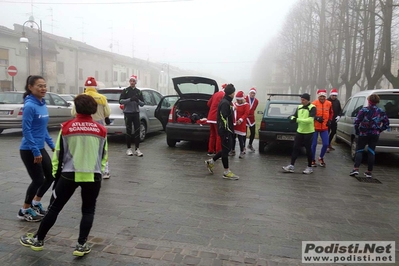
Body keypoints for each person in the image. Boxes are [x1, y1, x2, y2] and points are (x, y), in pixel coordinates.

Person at [20, 94, 108, 257]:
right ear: (94, 109)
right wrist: (100, 172)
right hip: (93, 176)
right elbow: (104, 154)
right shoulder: (101, 130)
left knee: (54, 208)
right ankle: (81, 245)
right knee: (88, 211)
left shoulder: (67, 127)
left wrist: (56, 176)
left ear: (75, 109)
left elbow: (58, 155)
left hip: (68, 175)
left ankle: (39, 240)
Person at [18, 75, 55, 222]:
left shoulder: (42, 104)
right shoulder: (29, 106)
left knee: (50, 176)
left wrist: (52, 145)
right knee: (38, 179)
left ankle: (35, 203)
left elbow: (42, 128)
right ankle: (24, 210)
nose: (43, 88)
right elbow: (26, 130)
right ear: (30, 87)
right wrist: (35, 151)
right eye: (39, 86)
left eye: (44, 85)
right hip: (29, 149)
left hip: (40, 147)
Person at [72, 76, 111, 178]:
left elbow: (73, 112)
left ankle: (83, 168)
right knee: (101, 148)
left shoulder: (79, 97)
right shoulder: (102, 98)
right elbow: (107, 112)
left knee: (83, 146)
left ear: (85, 86)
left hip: (82, 125)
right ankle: (105, 170)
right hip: (98, 125)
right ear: (95, 87)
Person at [350, 94, 389, 178]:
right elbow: (386, 123)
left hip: (363, 133)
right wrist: (379, 130)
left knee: (359, 150)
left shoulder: (364, 110)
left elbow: (356, 122)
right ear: (377, 101)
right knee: (371, 151)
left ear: (368, 101)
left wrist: (357, 130)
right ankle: (369, 171)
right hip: (374, 134)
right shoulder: (381, 111)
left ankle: (356, 169)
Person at [205, 84, 239, 180]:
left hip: (226, 130)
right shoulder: (225, 103)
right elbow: (224, 118)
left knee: (226, 149)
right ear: (232, 93)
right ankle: (226, 171)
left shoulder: (226, 102)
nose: (234, 94)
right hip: (225, 131)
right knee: (225, 151)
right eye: (234, 92)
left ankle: (211, 161)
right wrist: (227, 131)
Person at [282, 93, 316, 174]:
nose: (302, 101)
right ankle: (291, 165)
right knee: (295, 148)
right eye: (301, 99)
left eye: (303, 100)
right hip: (300, 131)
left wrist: (297, 120)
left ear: (307, 100)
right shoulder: (299, 107)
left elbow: (310, 120)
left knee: (308, 150)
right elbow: (295, 115)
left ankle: (309, 167)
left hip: (309, 132)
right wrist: (292, 118)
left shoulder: (312, 108)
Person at [119, 75, 144, 157]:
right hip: (128, 113)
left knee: (137, 131)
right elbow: (120, 101)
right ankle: (128, 149)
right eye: (131, 81)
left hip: (136, 113)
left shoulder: (139, 92)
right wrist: (130, 99)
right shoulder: (125, 91)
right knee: (128, 131)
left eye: (134, 81)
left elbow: (143, 104)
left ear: (136, 82)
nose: (132, 82)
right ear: (129, 82)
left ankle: (137, 149)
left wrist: (137, 100)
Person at [311, 89, 333, 167]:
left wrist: (330, 120)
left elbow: (331, 113)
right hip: (315, 127)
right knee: (313, 144)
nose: (322, 98)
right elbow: (310, 114)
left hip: (324, 127)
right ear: (318, 97)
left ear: (325, 97)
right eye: (321, 96)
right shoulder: (314, 103)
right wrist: (316, 118)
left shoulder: (329, 103)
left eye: (323, 96)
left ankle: (321, 157)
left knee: (326, 144)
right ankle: (312, 159)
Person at [206, 83, 226, 156]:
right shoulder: (224, 96)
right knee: (219, 135)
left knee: (212, 135)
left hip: (210, 117)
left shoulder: (215, 94)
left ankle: (210, 151)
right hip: (216, 118)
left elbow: (208, 104)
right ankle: (218, 152)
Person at [231, 91, 250, 158]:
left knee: (240, 138)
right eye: (237, 100)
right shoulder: (235, 104)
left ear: (242, 99)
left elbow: (246, 114)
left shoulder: (246, 105)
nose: (238, 101)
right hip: (235, 123)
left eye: (239, 100)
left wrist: (240, 120)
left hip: (241, 124)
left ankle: (242, 150)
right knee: (233, 137)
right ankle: (232, 150)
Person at [327, 88, 342, 152]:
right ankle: (327, 145)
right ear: (331, 95)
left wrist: (339, 115)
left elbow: (340, 110)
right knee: (326, 132)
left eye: (335, 96)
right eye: (333, 95)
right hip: (328, 120)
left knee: (334, 131)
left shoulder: (337, 101)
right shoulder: (327, 101)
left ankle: (328, 142)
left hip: (334, 120)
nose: (334, 97)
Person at [245, 87, 259, 152]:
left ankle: (250, 144)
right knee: (243, 133)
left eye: (254, 93)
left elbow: (254, 108)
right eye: (251, 93)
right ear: (249, 93)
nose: (252, 94)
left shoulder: (256, 101)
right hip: (245, 118)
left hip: (251, 118)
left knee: (253, 132)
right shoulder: (245, 99)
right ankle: (243, 146)